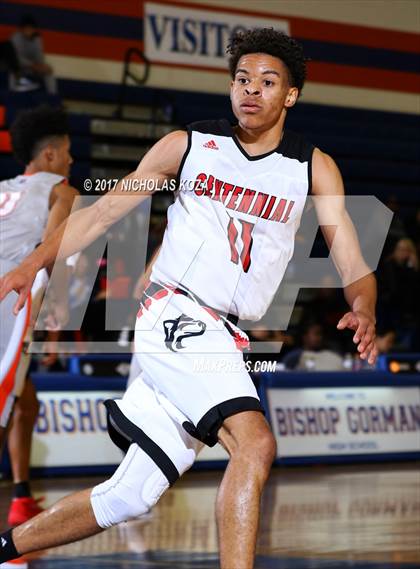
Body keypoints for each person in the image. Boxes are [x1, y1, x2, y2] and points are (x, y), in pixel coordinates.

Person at [0, 29, 377, 568]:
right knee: (255, 444)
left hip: (227, 334)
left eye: (268, 82)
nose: (251, 90)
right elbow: (105, 212)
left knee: (127, 496)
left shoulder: (312, 167)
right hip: (177, 313)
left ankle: (4, 550)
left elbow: (352, 261)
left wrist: (363, 306)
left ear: (290, 95)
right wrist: (34, 262)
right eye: (242, 79)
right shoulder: (189, 145)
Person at [0, 105, 78, 526]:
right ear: (49, 154)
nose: (71, 160)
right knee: (3, 401)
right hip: (9, 301)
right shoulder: (61, 190)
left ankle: (22, 495)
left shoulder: (3, 187)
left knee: (22, 401)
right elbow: (55, 254)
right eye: (67, 152)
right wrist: (57, 321)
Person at [9, 15, 57, 94]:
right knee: (13, 70)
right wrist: (33, 65)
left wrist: (42, 66)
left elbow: (40, 58)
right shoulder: (15, 37)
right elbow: (15, 58)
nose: (28, 30)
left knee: (48, 70)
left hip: (33, 67)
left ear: (34, 30)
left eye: (31, 28)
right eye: (26, 28)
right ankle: (12, 94)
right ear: (21, 29)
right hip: (20, 67)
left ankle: (52, 97)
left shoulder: (38, 39)